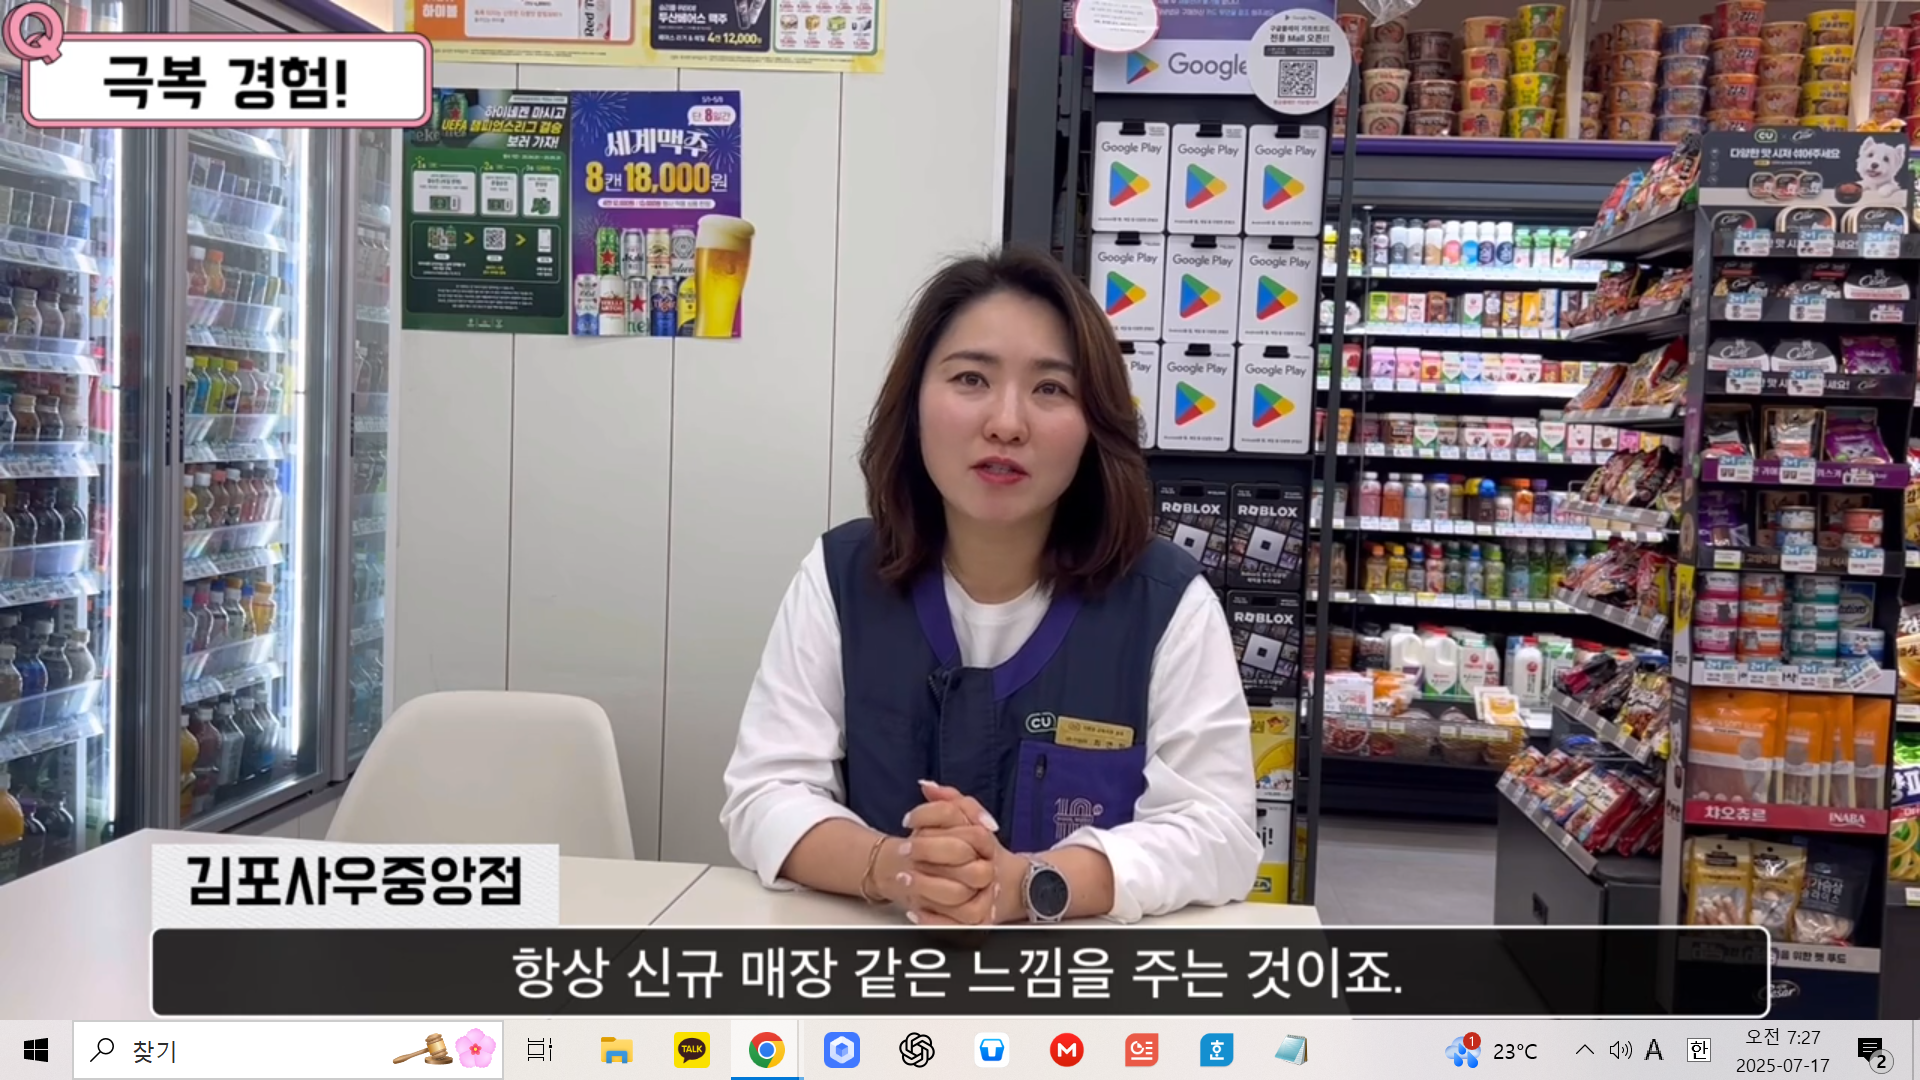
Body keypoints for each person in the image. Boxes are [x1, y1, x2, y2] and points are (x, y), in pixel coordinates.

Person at [720, 247, 1258, 925]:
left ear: (1096, 423)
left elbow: (1220, 833)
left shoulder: (1166, 601)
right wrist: (897, 868)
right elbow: (764, 793)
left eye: (1051, 389)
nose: (1007, 422)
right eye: (971, 378)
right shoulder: (840, 576)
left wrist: (1028, 883)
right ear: (914, 403)